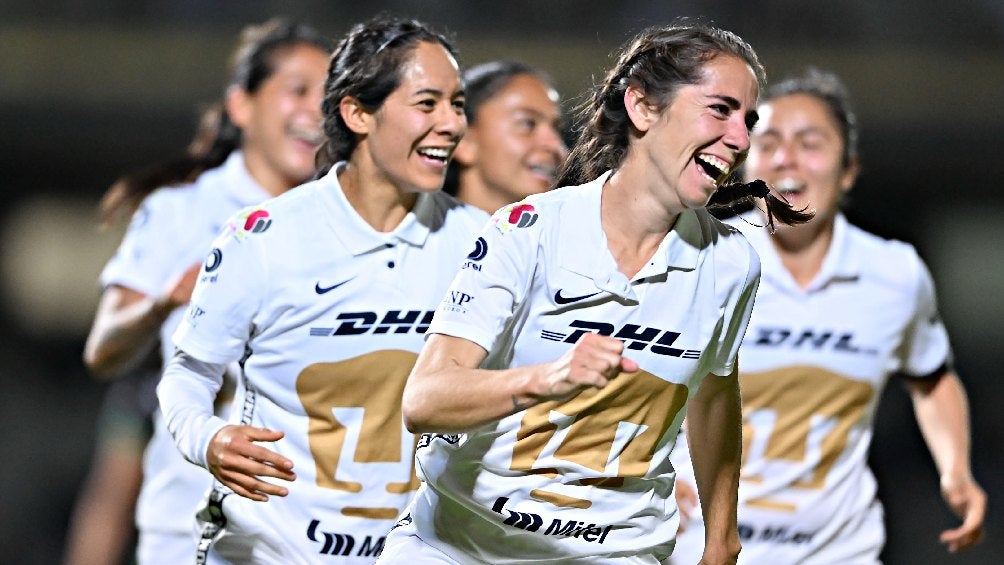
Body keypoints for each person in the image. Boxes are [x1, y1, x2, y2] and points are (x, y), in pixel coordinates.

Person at [378, 20, 811, 565]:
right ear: (643, 107)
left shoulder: (730, 263)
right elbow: (425, 401)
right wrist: (549, 378)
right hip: (458, 547)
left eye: (747, 120)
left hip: (615, 554)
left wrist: (722, 538)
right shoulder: (529, 229)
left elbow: (714, 391)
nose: (742, 140)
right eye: (719, 110)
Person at [156, 15, 487, 563]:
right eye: (427, 104)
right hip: (268, 551)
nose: (451, 123)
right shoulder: (264, 238)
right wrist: (209, 439)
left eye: (457, 104)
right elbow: (189, 374)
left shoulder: (482, 244)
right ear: (357, 112)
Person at [669, 68, 986, 563]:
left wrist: (956, 470)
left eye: (809, 142)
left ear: (849, 170)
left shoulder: (894, 272)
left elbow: (932, 377)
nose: (787, 158)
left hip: (841, 552)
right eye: (768, 141)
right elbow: (629, 372)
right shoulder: (700, 255)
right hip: (703, 548)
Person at [73, 18, 332, 565]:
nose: (315, 111)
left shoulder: (343, 217)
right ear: (242, 106)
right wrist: (161, 301)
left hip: (311, 526)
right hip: (194, 525)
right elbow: (103, 351)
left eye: (327, 95)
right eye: (297, 90)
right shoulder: (183, 210)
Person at [443, 60, 566, 213]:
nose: (555, 144)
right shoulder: (416, 233)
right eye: (528, 124)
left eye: (557, 129)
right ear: (463, 140)